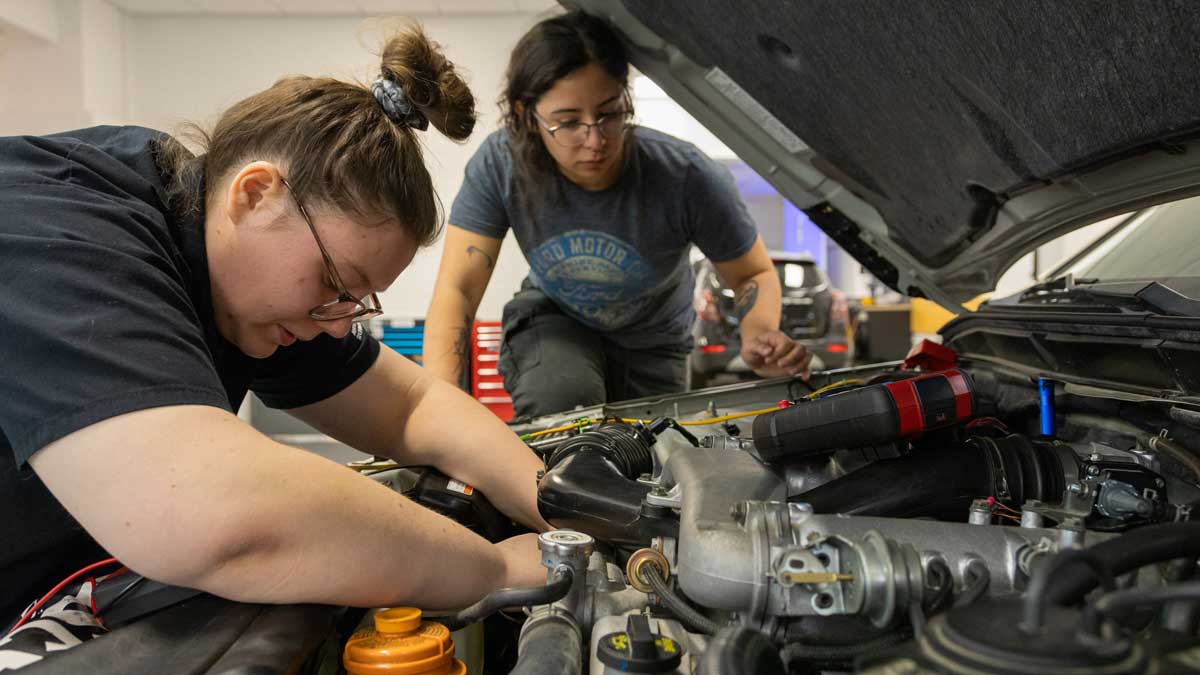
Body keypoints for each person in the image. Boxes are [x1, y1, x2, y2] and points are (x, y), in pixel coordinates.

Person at [0, 26, 551, 626]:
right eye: (334, 282)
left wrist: (562, 508)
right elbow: (213, 514)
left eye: (357, 301)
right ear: (256, 194)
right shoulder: (61, 233)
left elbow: (412, 407)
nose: (340, 327)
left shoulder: (240, 276)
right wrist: (494, 571)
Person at [423, 11, 811, 418]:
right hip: (556, 320)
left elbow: (753, 274)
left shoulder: (687, 177)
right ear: (525, 115)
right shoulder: (503, 164)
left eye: (609, 114)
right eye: (568, 122)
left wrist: (758, 332)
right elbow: (458, 291)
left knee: (652, 459)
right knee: (564, 405)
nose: (595, 140)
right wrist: (443, 407)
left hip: (656, 341)